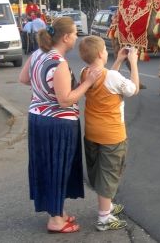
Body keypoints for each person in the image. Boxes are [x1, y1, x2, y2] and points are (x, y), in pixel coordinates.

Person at [18, 17, 101, 233]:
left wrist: (41, 90)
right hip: (57, 123)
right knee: (58, 168)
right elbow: (66, 99)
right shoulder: (59, 63)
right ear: (65, 37)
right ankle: (55, 220)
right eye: (74, 34)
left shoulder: (37, 54)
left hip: (38, 119)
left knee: (48, 167)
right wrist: (88, 83)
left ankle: (57, 212)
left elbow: (24, 78)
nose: (75, 37)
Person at [79, 35, 140, 231]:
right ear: (99, 53)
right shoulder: (112, 77)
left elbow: (107, 80)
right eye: (105, 50)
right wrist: (133, 63)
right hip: (111, 135)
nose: (107, 52)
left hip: (92, 132)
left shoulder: (85, 72)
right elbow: (133, 89)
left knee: (99, 170)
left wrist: (119, 60)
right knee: (109, 173)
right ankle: (104, 217)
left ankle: (108, 206)